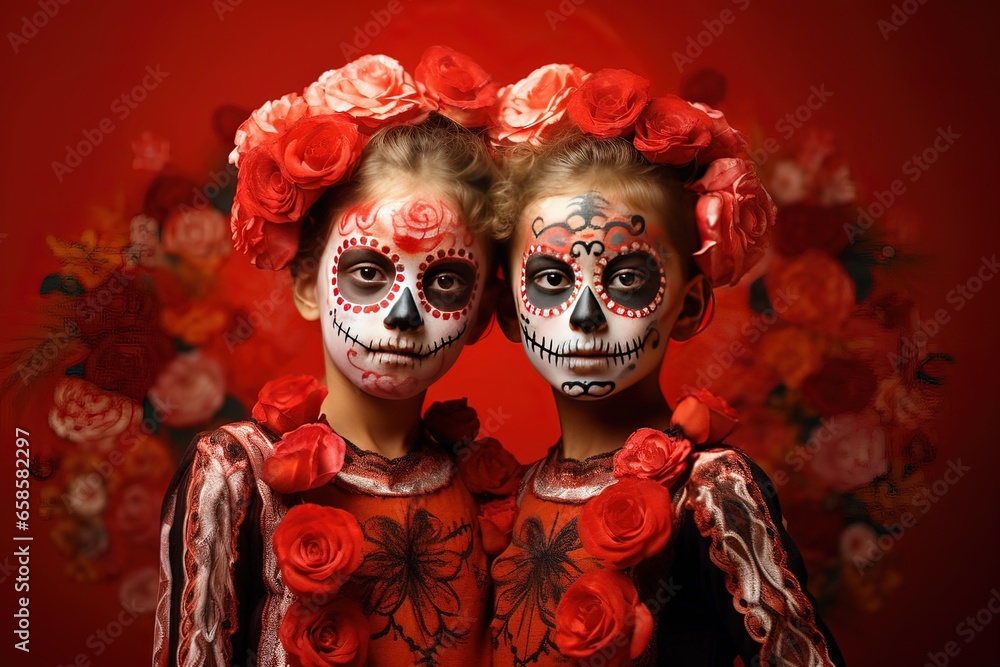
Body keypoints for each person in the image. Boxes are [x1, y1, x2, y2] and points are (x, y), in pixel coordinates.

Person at [485, 66, 846, 667]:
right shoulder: (516, 494)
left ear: (691, 305)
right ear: (507, 312)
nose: (584, 316)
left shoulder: (710, 491)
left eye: (627, 278)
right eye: (551, 279)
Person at [154, 50, 502, 667]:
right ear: (309, 285)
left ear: (478, 313)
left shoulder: (483, 485)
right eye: (368, 272)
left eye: (445, 282)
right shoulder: (236, 473)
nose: (403, 314)